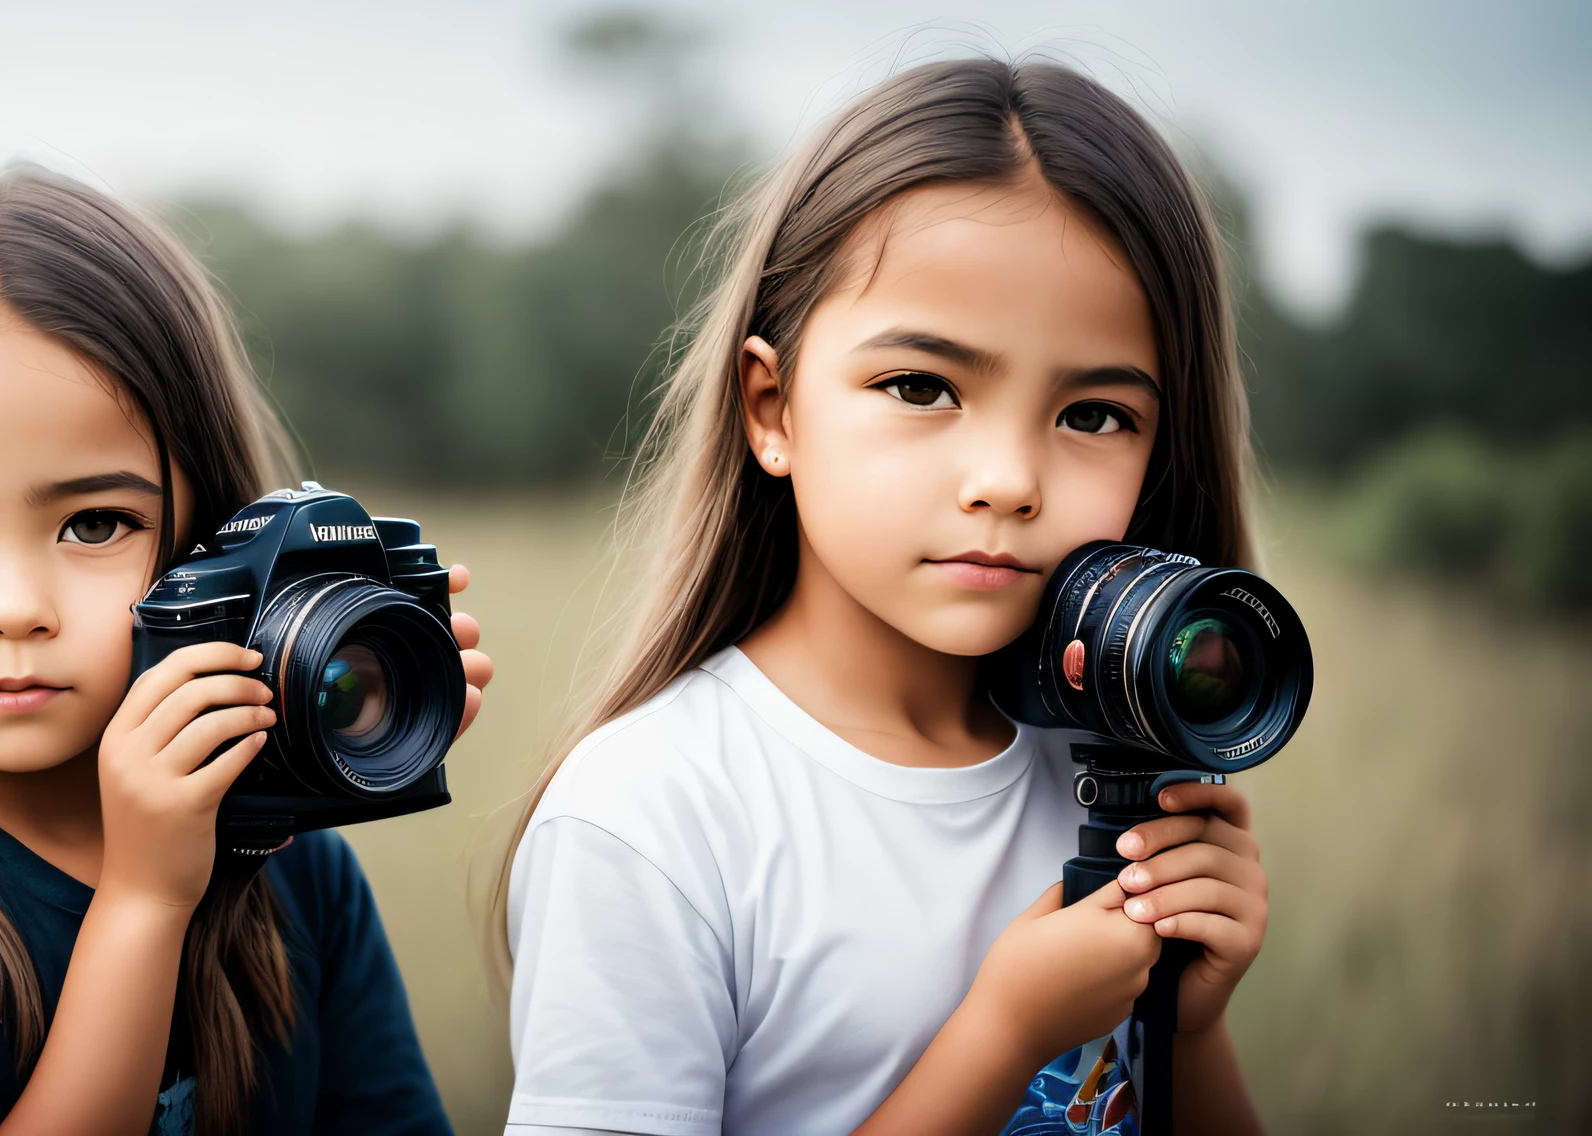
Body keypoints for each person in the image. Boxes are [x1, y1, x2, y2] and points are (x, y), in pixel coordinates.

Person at [498, 58, 1268, 1136]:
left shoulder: (1109, 769)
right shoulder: (651, 812)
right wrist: (1000, 1037)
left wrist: (1186, 1029)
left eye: (1092, 413)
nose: (1006, 477)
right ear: (770, 408)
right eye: (921, 387)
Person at [0, 169, 494, 1136]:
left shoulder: (296, 874)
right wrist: (145, 901)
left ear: (208, 539)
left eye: (94, 523)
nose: (14, 609)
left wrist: (367, 720)